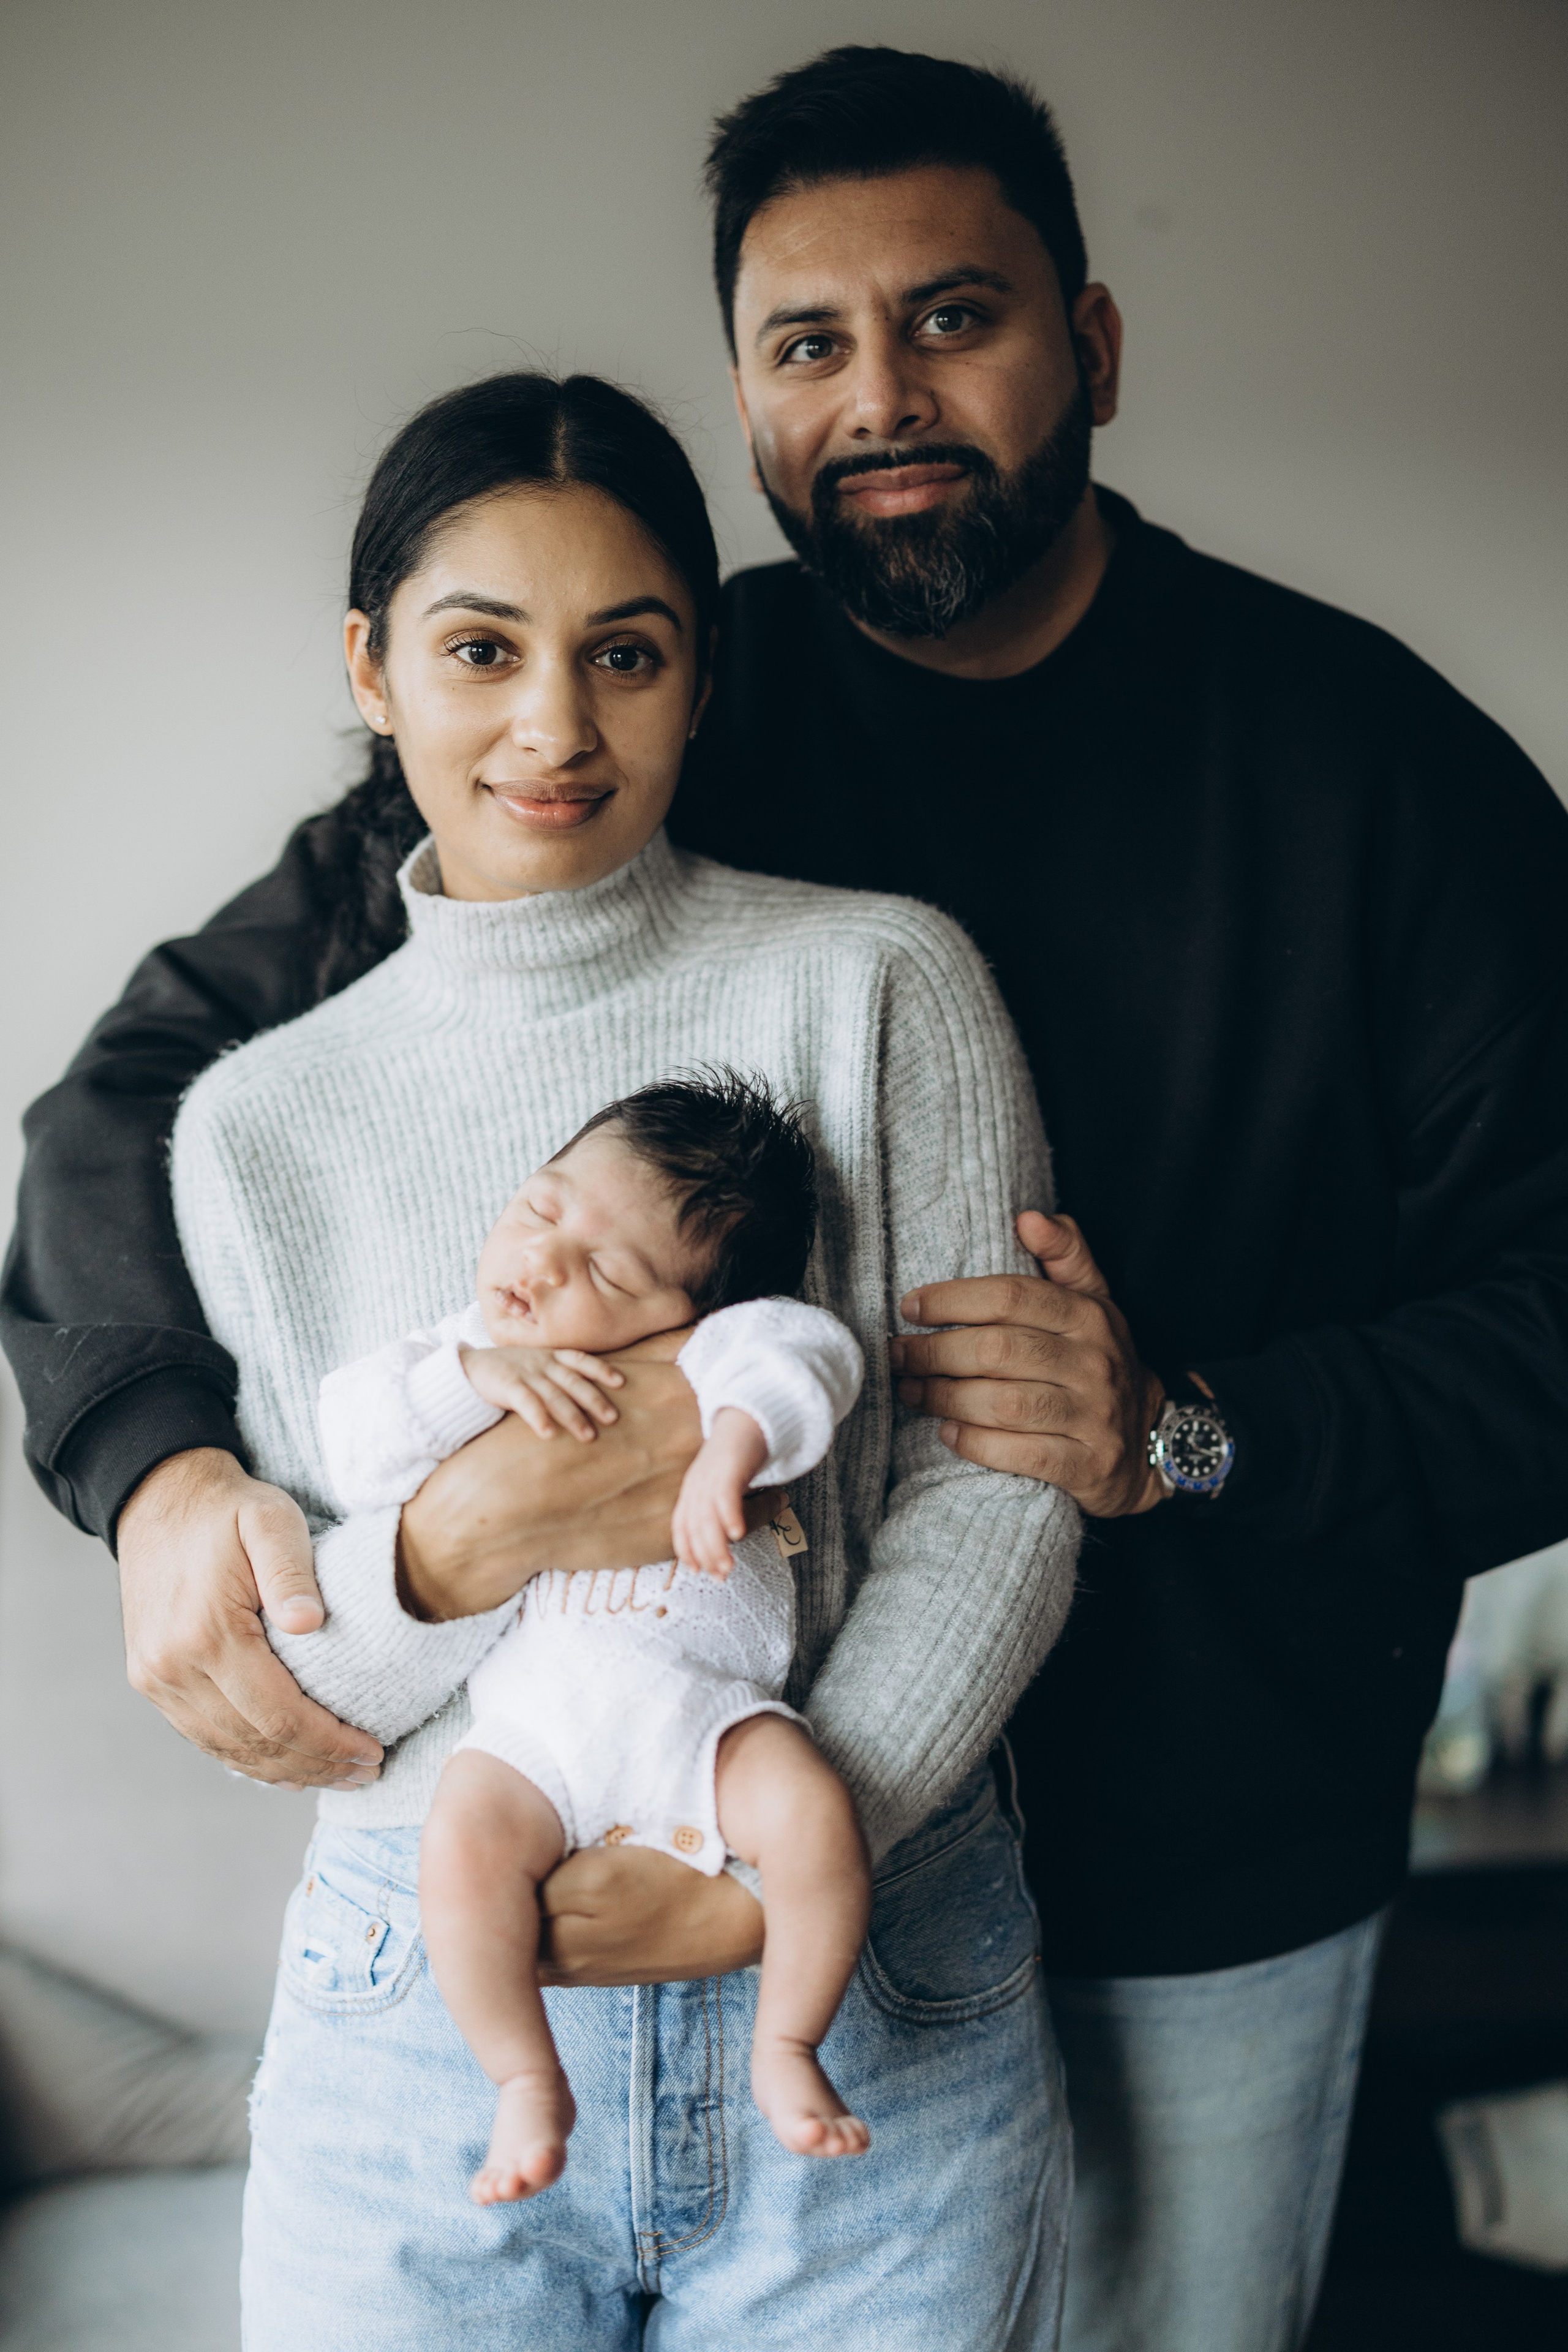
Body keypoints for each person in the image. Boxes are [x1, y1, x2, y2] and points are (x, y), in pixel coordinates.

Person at [6, 39, 1567, 2352]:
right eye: (807, 344)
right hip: (665, 1810)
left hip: (1203, 1853)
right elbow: (150, 1093)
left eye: (956, 317)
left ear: (1095, 345)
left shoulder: (1383, 775)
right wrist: (155, 1469)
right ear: (743, 388)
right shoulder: (645, 697)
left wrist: (1194, 1426)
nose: (884, 395)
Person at [143, 364, 1079, 2346]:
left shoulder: (878, 982)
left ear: (703, 672)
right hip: (432, 2011)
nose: (555, 727)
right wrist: (462, 1531)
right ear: (372, 668)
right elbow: (316, 1670)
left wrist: (788, 1853)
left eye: (625, 654)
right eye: (480, 649)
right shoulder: (253, 1128)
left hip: (869, 1978)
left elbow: (993, 1486)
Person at [297, 1072, 873, 2198]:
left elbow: (810, 1356)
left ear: (684, 1312)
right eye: (542, 1210)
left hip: (709, 1711)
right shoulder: (453, 1357)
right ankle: (523, 2079)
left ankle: (789, 2046)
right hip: (539, 1734)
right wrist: (475, 1378)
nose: (548, 1261)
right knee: (458, 1855)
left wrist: (728, 1448)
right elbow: (354, 1445)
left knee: (815, 1818)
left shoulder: (717, 1351)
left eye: (609, 1270)